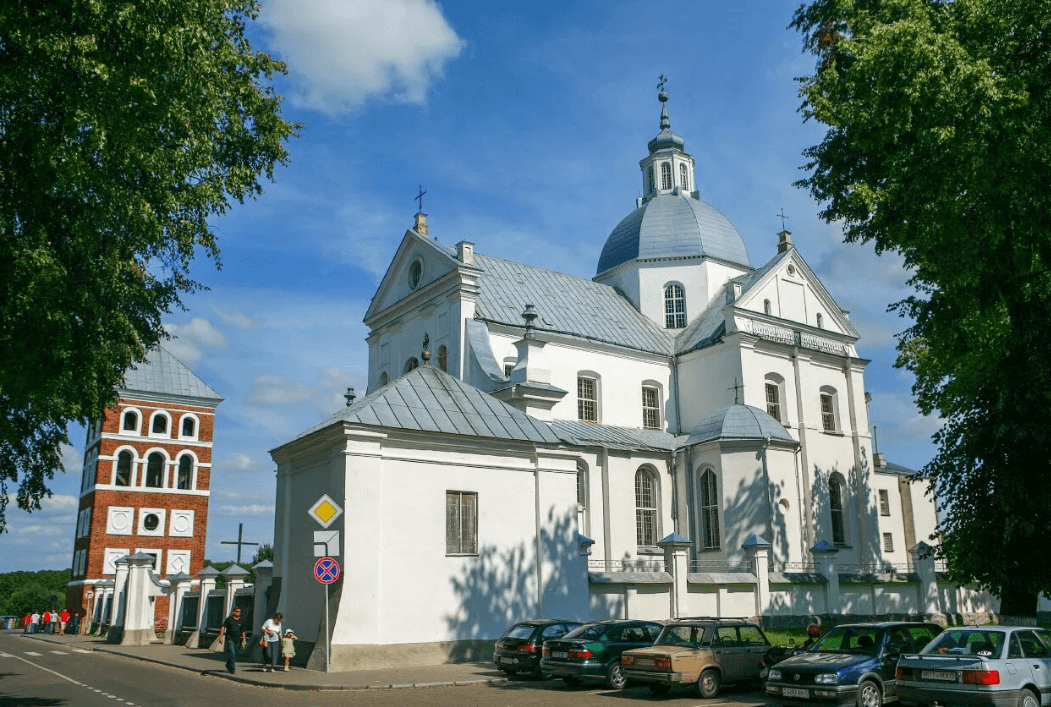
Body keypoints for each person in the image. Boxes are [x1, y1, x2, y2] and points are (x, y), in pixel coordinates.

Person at [218, 607, 247, 675]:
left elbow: (243, 631)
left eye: (239, 611)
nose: (238, 613)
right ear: (233, 612)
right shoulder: (229, 619)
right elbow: (223, 627)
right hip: (230, 639)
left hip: (237, 640)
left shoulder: (241, 620)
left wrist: (244, 640)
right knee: (232, 653)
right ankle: (232, 669)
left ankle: (228, 665)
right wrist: (221, 637)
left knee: (235, 654)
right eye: (237, 611)